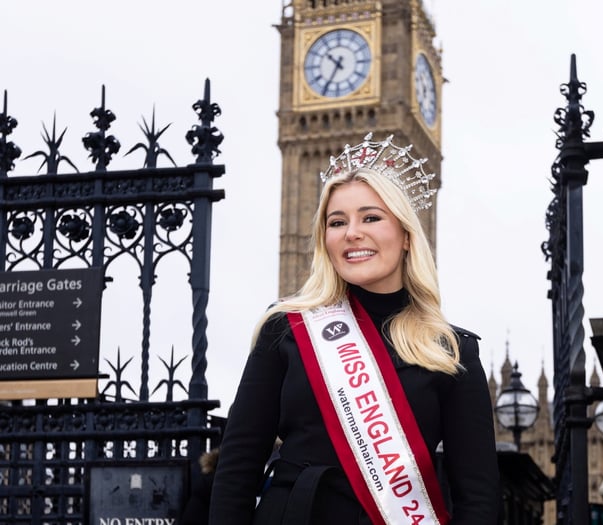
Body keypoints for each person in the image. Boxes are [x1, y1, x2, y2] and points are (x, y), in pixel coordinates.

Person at [209, 133, 500, 524]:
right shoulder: (287, 328)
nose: (351, 233)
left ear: (407, 236)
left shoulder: (451, 349)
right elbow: (238, 466)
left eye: (371, 217)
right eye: (337, 222)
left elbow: (479, 497)